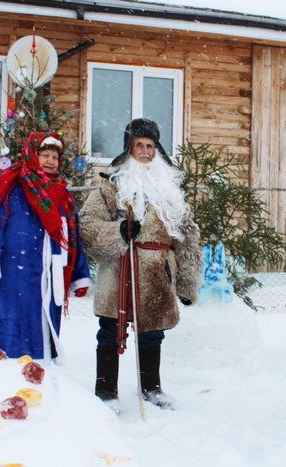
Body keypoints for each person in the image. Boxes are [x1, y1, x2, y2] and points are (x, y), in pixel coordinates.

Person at [79, 118, 202, 413]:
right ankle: (106, 390)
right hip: (119, 269)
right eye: (139, 146)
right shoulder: (111, 188)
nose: (145, 151)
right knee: (109, 330)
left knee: (152, 333)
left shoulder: (171, 192)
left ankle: (152, 388)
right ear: (129, 150)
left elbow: (187, 238)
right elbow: (88, 223)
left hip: (158, 271)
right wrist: (119, 231)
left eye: (150, 146)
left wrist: (186, 281)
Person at [0, 131, 91, 363]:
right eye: (44, 155)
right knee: (11, 326)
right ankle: (6, 380)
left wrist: (79, 274)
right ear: (32, 155)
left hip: (48, 274)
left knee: (43, 327)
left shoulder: (61, 194)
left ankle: (41, 375)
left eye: (54, 157)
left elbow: (72, 235)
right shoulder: (10, 186)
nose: (50, 161)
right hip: (12, 274)